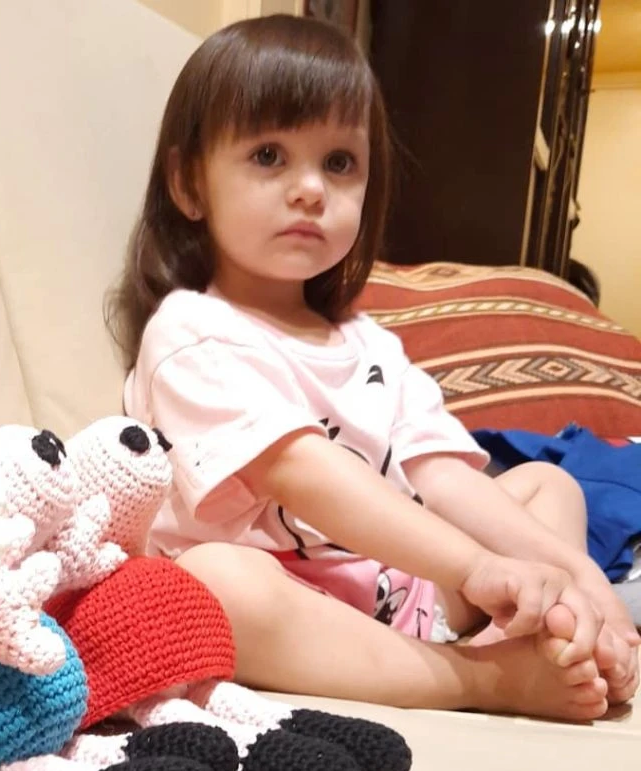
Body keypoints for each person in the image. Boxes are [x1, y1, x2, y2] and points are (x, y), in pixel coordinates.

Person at [108, 14, 638, 722]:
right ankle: (481, 679)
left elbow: (440, 475)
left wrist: (579, 582)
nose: (309, 189)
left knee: (550, 485)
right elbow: (298, 471)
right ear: (189, 185)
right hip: (293, 611)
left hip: (407, 593)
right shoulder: (190, 331)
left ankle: (541, 632)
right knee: (213, 582)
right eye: (268, 156)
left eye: (339, 163)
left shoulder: (371, 345)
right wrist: (476, 566)